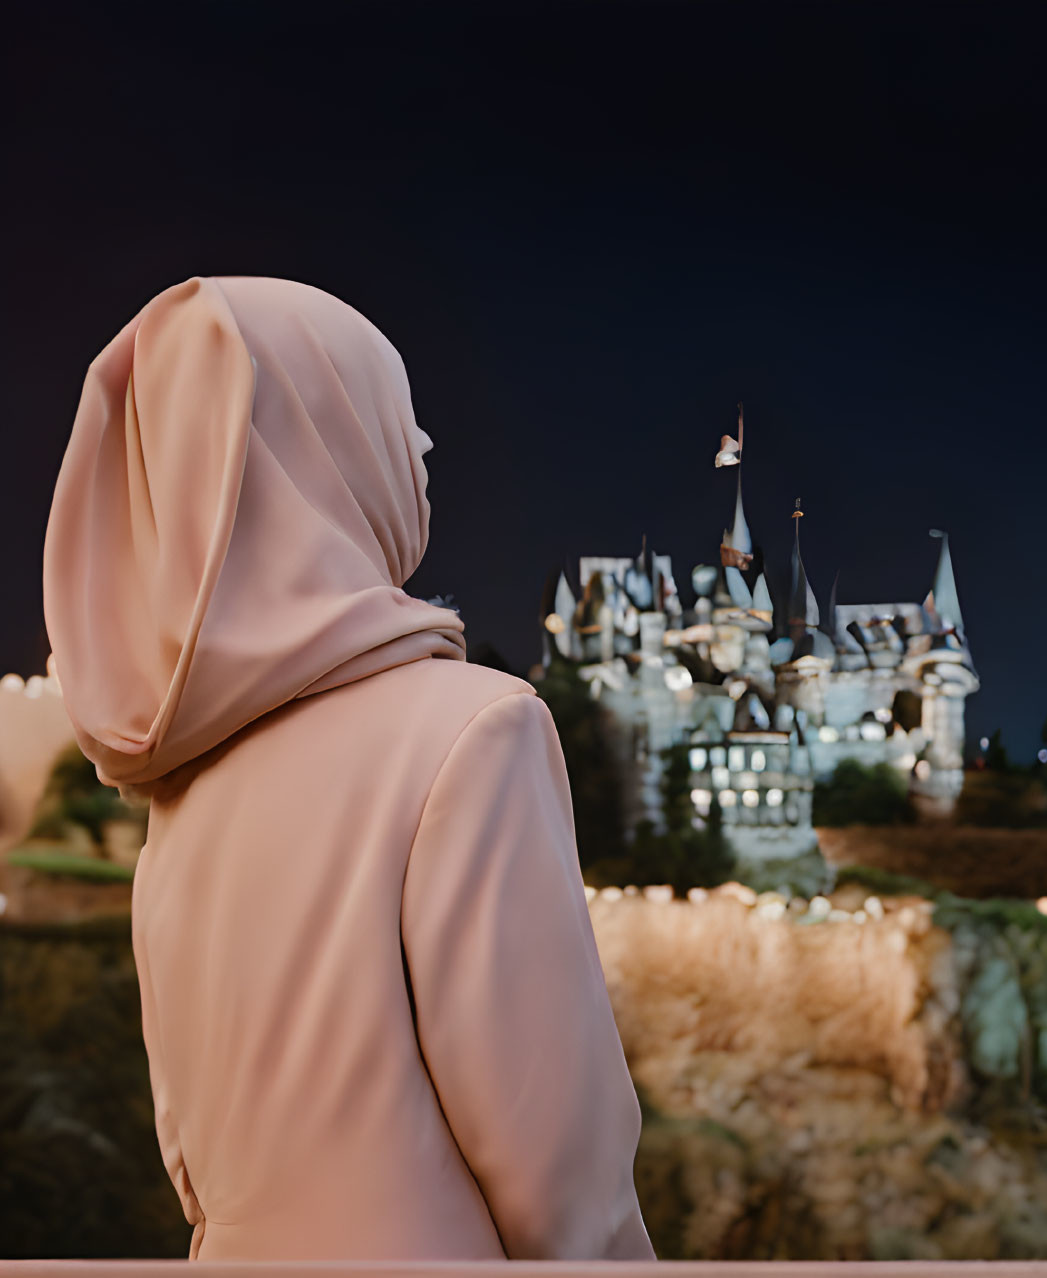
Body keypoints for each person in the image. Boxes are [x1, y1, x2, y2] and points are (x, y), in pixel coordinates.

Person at [41, 277, 655, 1262]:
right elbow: (562, 1179)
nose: (419, 450)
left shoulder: (178, 783)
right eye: (392, 418)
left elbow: (188, 1160)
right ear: (329, 449)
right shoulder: (476, 728)